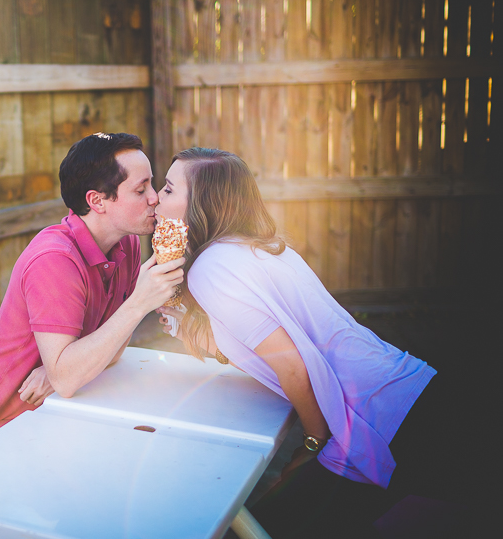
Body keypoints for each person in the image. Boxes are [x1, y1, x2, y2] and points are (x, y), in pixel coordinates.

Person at [156, 147, 486, 538]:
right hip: (406, 392)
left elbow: (292, 365)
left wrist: (311, 444)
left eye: (168, 188)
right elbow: (263, 343)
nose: (157, 197)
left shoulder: (211, 268)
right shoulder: (258, 248)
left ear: (202, 204)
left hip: (379, 419)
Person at [0, 132, 184, 455]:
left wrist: (59, 370)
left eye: (152, 185)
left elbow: (110, 354)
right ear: (97, 201)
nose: (155, 198)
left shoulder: (126, 244)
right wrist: (137, 304)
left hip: (55, 411)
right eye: (141, 190)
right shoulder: (54, 260)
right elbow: (68, 380)